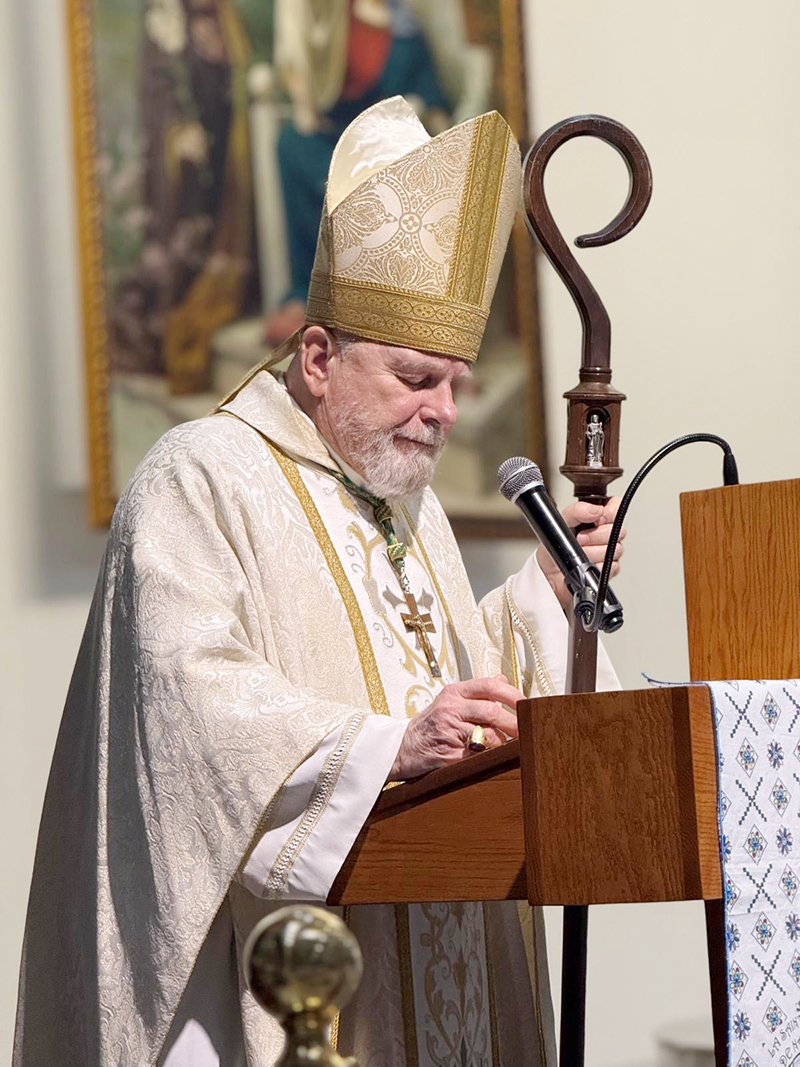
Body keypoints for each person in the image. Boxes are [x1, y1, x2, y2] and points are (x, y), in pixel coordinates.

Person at [14, 97, 624, 1067]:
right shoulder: (202, 472)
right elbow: (183, 707)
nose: (442, 412)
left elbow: (444, 683)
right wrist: (382, 745)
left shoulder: (406, 504)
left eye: (456, 385)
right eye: (416, 377)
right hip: (271, 978)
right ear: (316, 358)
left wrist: (542, 598)